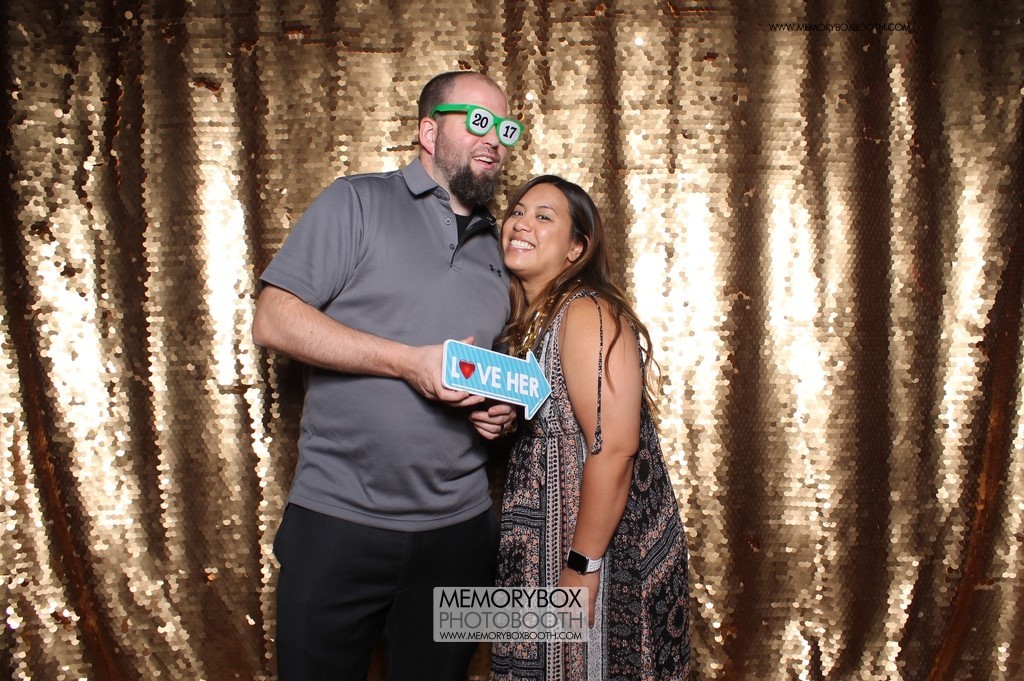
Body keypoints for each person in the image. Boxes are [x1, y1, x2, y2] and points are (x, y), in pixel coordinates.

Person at [252, 71, 520, 681]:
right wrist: (406, 361)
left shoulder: (503, 250)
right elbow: (274, 319)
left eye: (505, 128)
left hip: (460, 534)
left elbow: (488, 366)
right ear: (429, 131)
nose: (494, 139)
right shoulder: (356, 202)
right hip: (337, 522)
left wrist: (498, 411)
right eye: (478, 121)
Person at [490, 176, 691, 680]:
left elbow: (616, 448)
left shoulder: (585, 311)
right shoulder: (533, 320)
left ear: (576, 248)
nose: (522, 223)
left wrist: (582, 568)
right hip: (537, 547)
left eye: (544, 216)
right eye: (518, 211)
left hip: (591, 550)